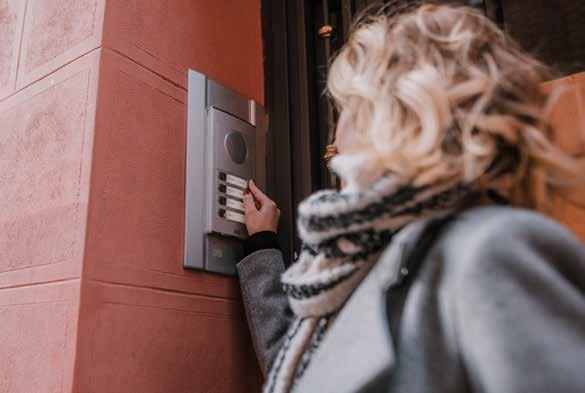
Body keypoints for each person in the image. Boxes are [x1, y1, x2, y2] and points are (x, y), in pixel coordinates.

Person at [238, 4, 585, 393]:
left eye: (348, 110)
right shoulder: (358, 259)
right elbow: (298, 368)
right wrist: (263, 246)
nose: (334, 141)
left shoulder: (491, 250)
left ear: (397, 113)